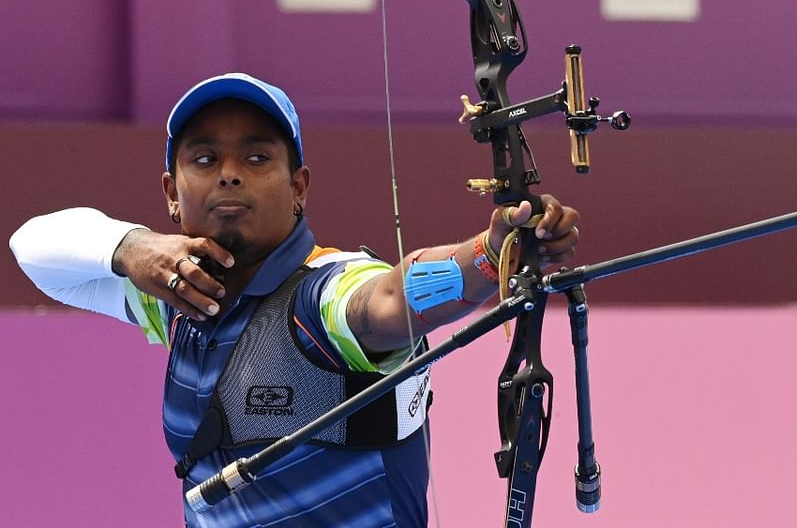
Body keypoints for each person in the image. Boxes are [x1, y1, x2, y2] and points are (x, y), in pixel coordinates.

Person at [8, 72, 580, 527]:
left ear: (298, 186)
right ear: (171, 194)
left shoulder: (324, 294)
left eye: (258, 159)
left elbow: (384, 300)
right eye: (204, 160)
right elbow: (32, 249)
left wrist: (488, 252)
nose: (229, 175)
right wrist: (131, 247)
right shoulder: (177, 297)